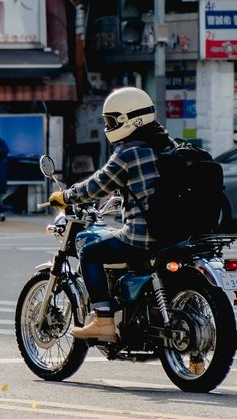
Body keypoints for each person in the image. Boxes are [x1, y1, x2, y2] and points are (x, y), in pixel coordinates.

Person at [48, 87, 173, 340]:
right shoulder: (167, 146)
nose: (109, 126)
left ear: (128, 119)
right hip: (175, 234)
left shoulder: (129, 152)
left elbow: (95, 186)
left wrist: (65, 196)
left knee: (90, 251)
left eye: (111, 121)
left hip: (143, 237)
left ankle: (103, 319)